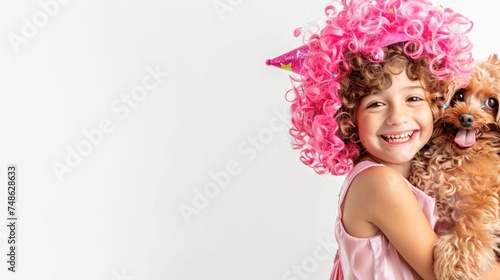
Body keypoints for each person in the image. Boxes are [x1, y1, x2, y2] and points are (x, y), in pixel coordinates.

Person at [267, 0, 500, 279]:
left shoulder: (413, 178)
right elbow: (458, 275)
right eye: (376, 104)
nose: (398, 117)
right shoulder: (381, 184)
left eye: (413, 98)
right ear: (345, 117)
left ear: (437, 102)